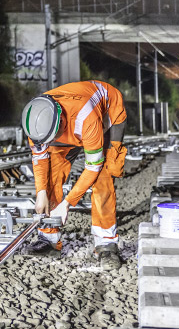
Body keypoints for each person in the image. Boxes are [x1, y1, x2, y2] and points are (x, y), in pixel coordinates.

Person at [21, 80, 127, 270]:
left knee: (102, 177)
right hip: (70, 127)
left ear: (60, 122)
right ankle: (49, 239)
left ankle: (106, 243)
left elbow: (93, 167)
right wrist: (41, 193)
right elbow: (40, 160)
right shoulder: (37, 121)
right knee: (52, 175)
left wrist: (67, 203)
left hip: (106, 117)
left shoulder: (86, 118)